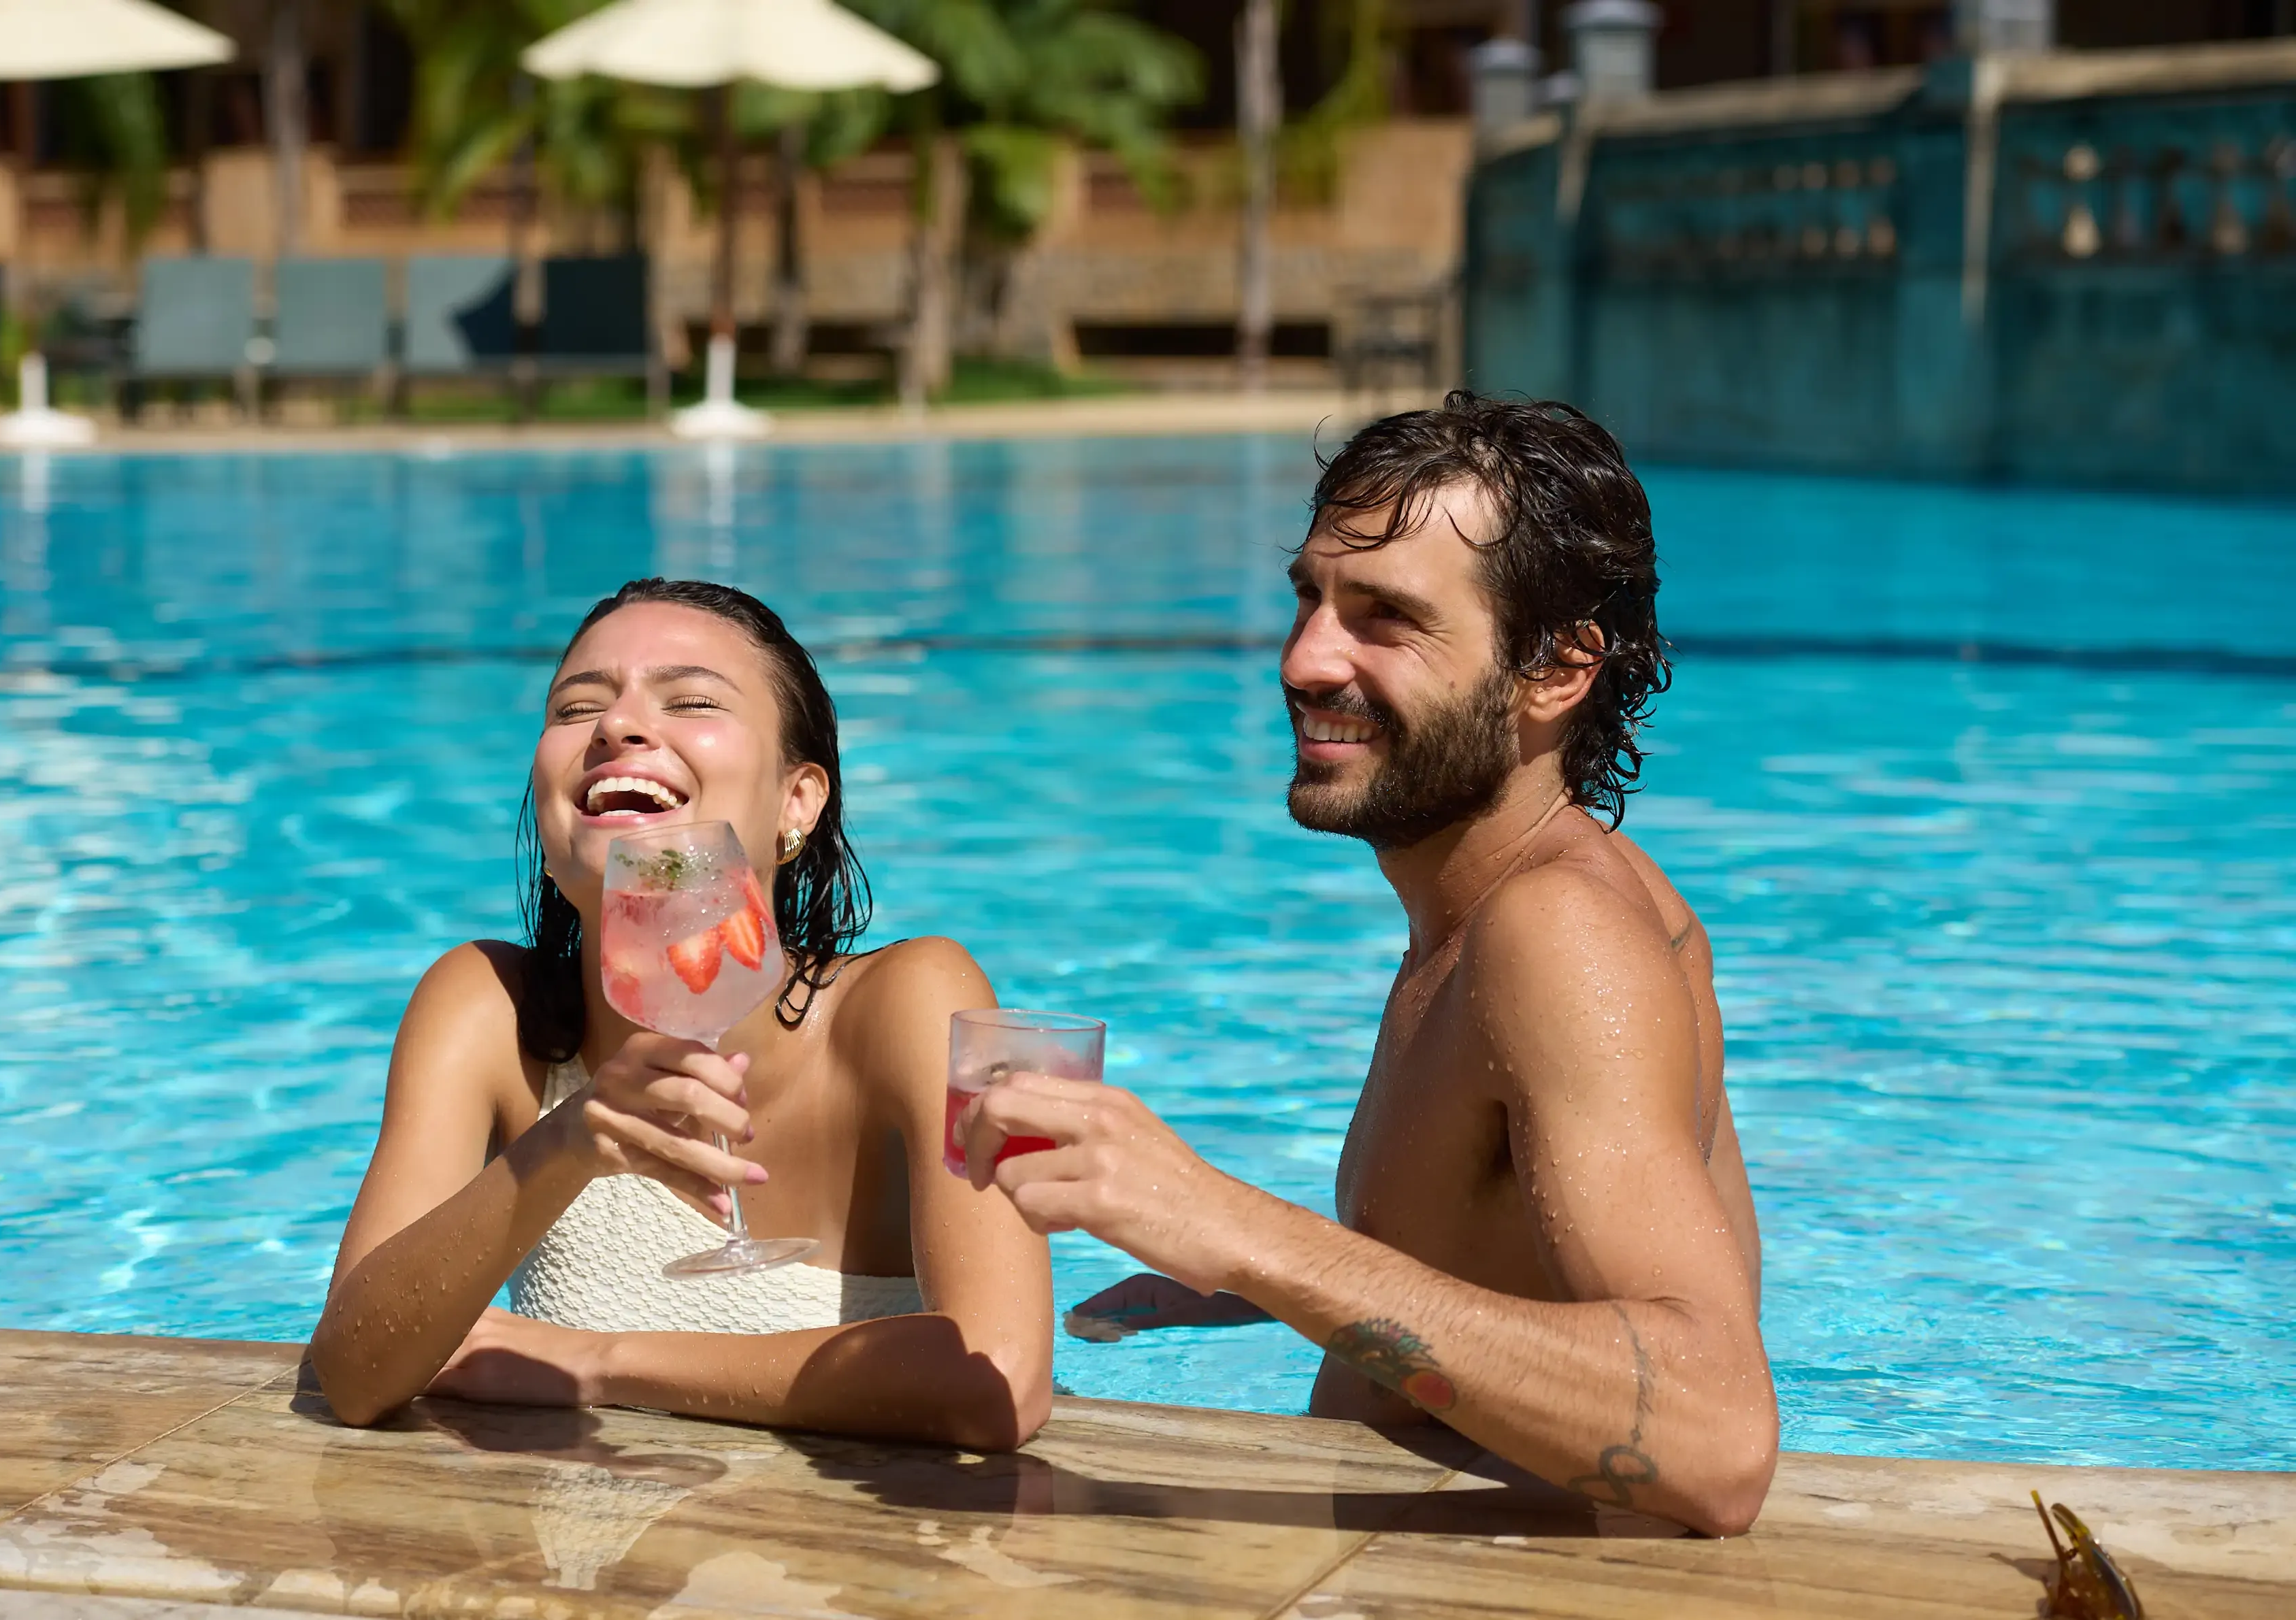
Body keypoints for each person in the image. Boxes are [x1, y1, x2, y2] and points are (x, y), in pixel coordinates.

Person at [954, 395, 1777, 1536]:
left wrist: (1236, 1225)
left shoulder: (1558, 937)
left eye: (1385, 618)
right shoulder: (1505, 904)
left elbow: (1716, 1437)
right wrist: (1257, 1284)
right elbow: (1535, 1247)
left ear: (1556, 671)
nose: (1304, 660)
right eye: (1310, 598)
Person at [310, 578, 1051, 1451]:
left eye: (692, 699)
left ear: (797, 802)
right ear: (550, 831)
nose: (616, 727)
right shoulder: (488, 1010)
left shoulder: (911, 1001)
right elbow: (353, 1374)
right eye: (575, 707)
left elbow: (1001, 1380)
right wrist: (564, 1144)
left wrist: (597, 1360)